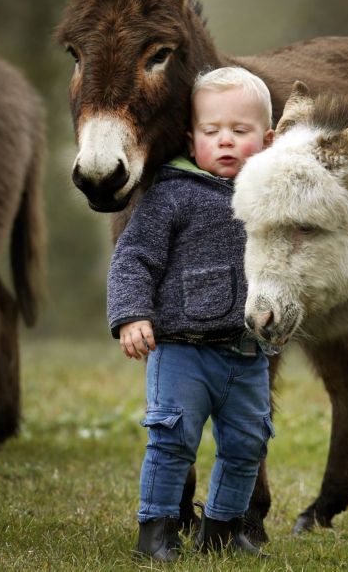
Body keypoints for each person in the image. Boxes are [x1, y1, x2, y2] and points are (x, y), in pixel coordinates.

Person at [107, 66, 275, 563]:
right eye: (211, 132)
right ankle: (156, 532)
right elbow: (134, 257)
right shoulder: (172, 193)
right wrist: (132, 315)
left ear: (267, 140)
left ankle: (222, 530)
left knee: (247, 445)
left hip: (248, 356)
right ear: (190, 138)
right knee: (172, 441)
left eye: (240, 132)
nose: (225, 141)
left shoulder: (268, 201)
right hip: (181, 350)